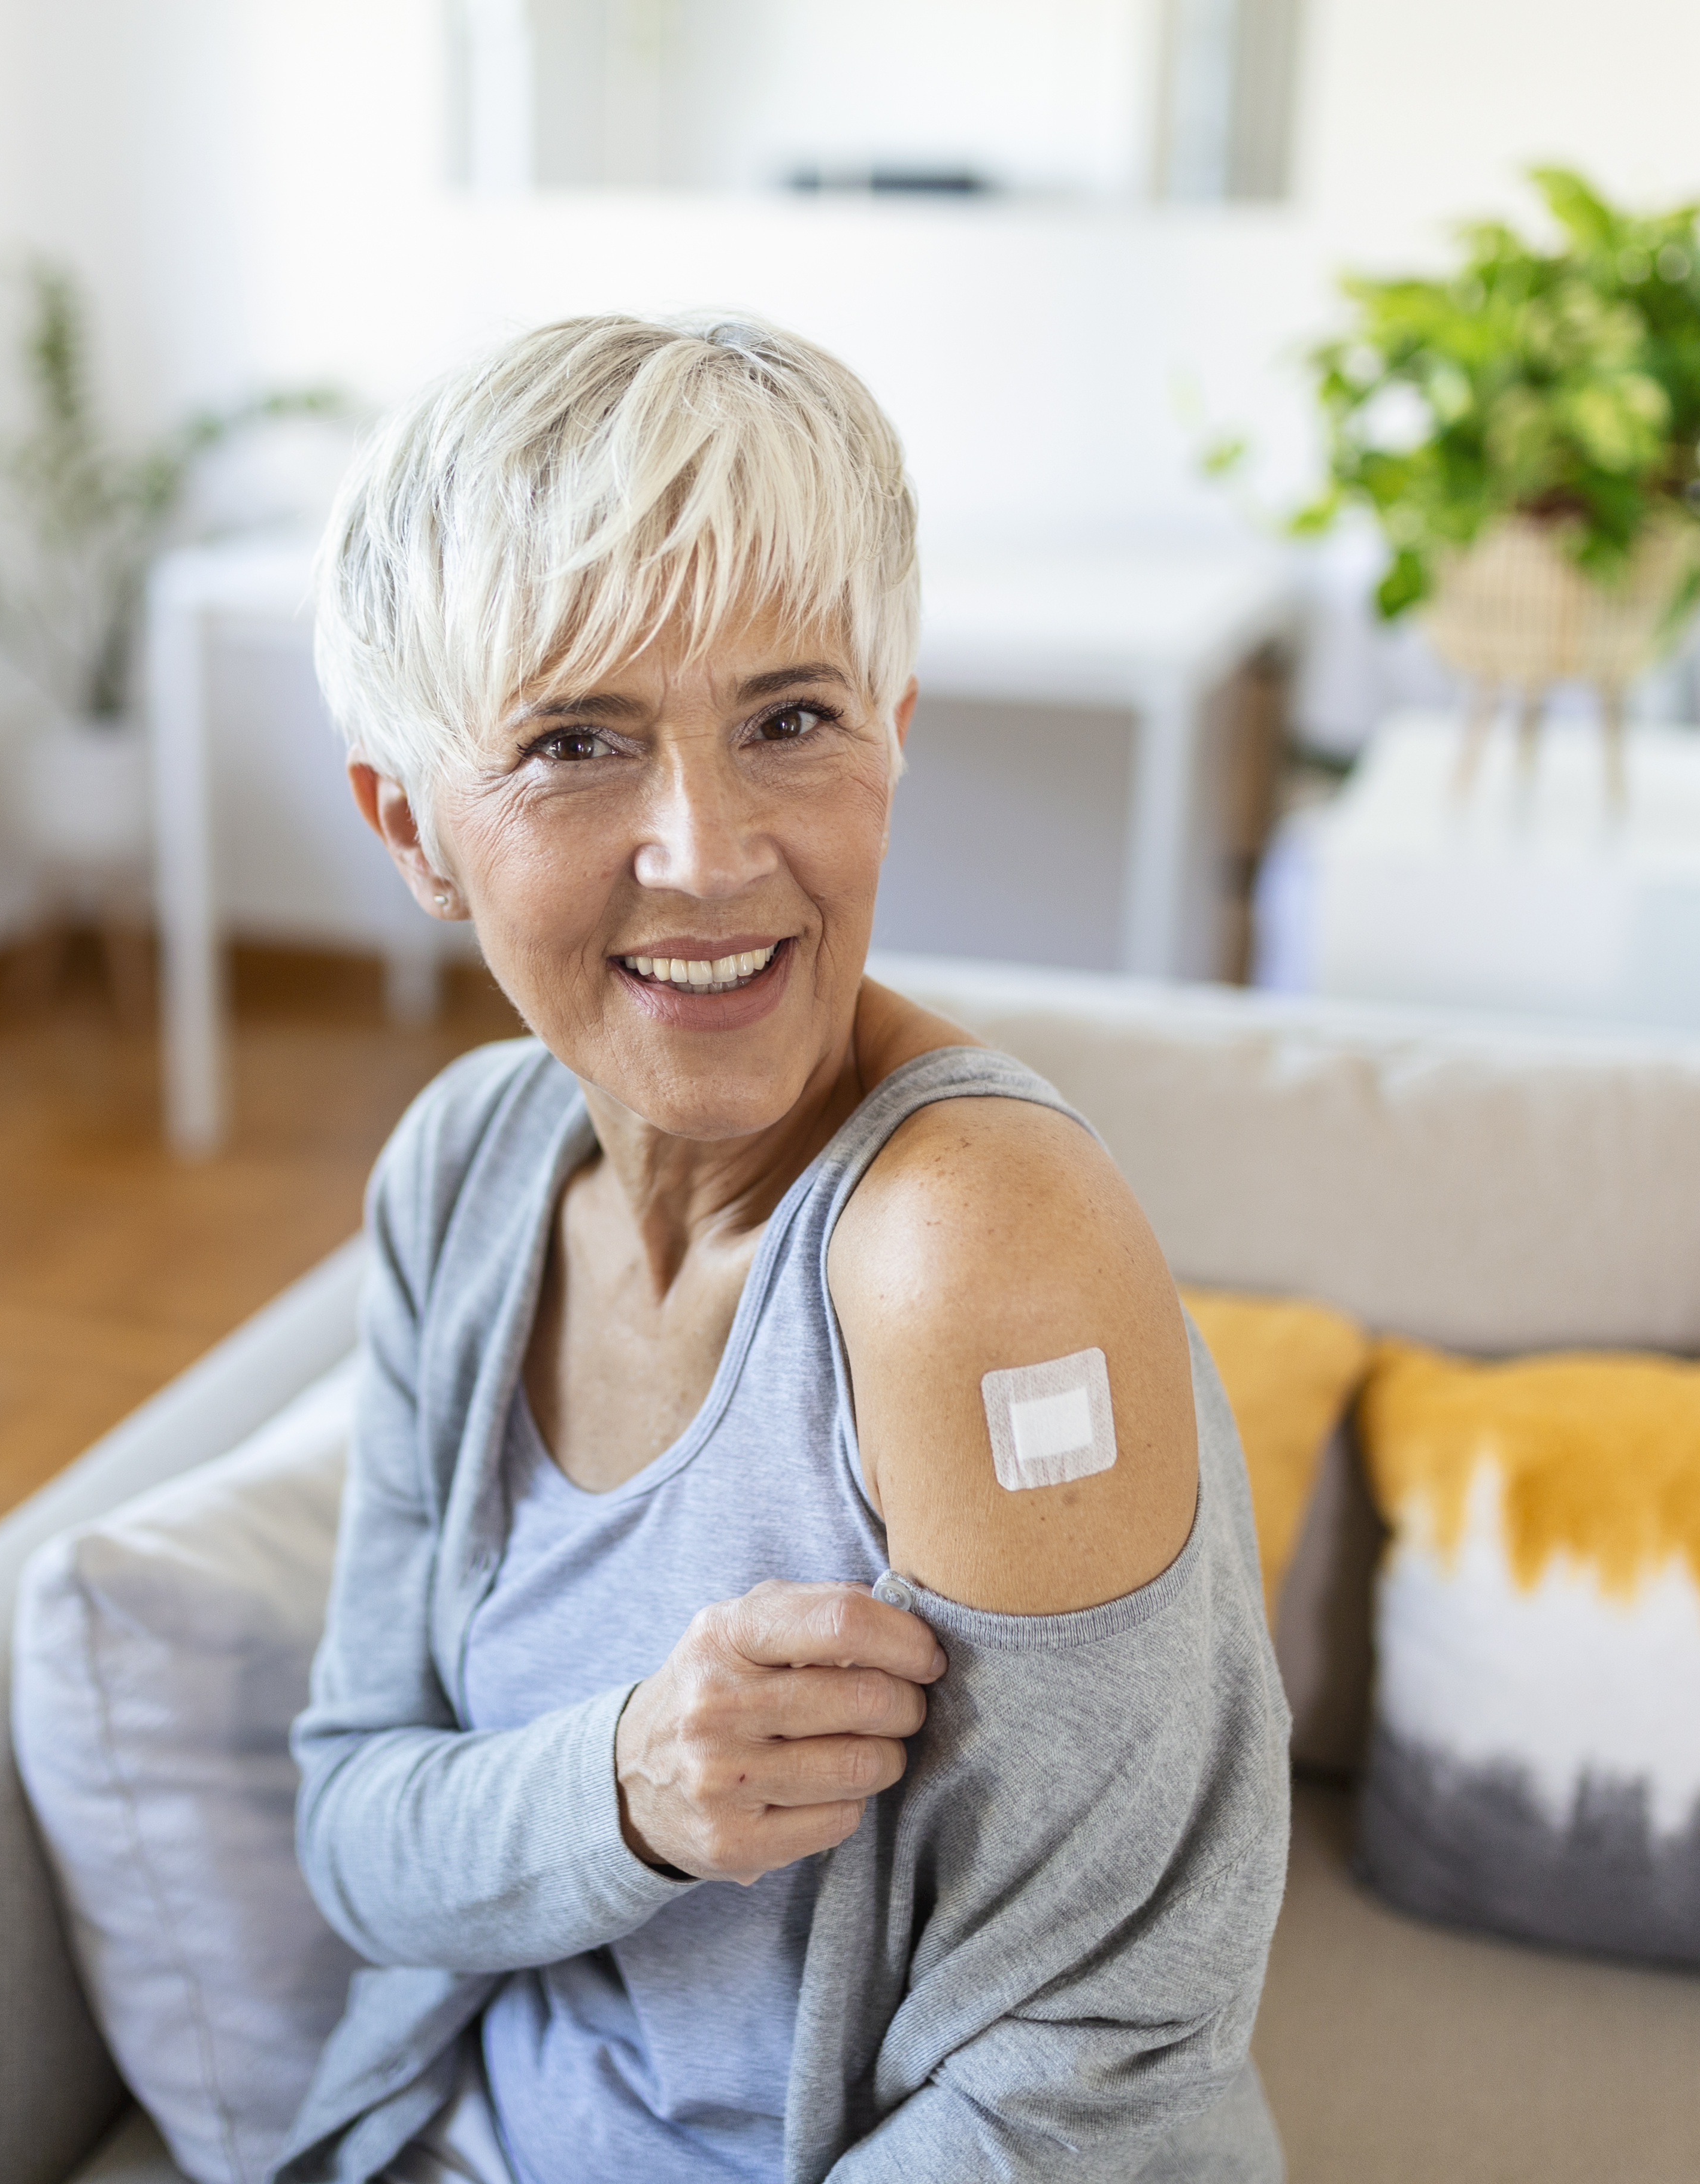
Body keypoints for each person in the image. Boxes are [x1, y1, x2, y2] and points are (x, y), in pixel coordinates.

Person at [279, 314, 1290, 2184]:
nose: (709, 852)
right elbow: (355, 1829)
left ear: (892, 735)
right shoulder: (464, 1180)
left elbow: (1095, 2075)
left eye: (789, 720)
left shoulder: (972, 1260)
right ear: (412, 826)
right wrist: (631, 1790)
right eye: (577, 742)